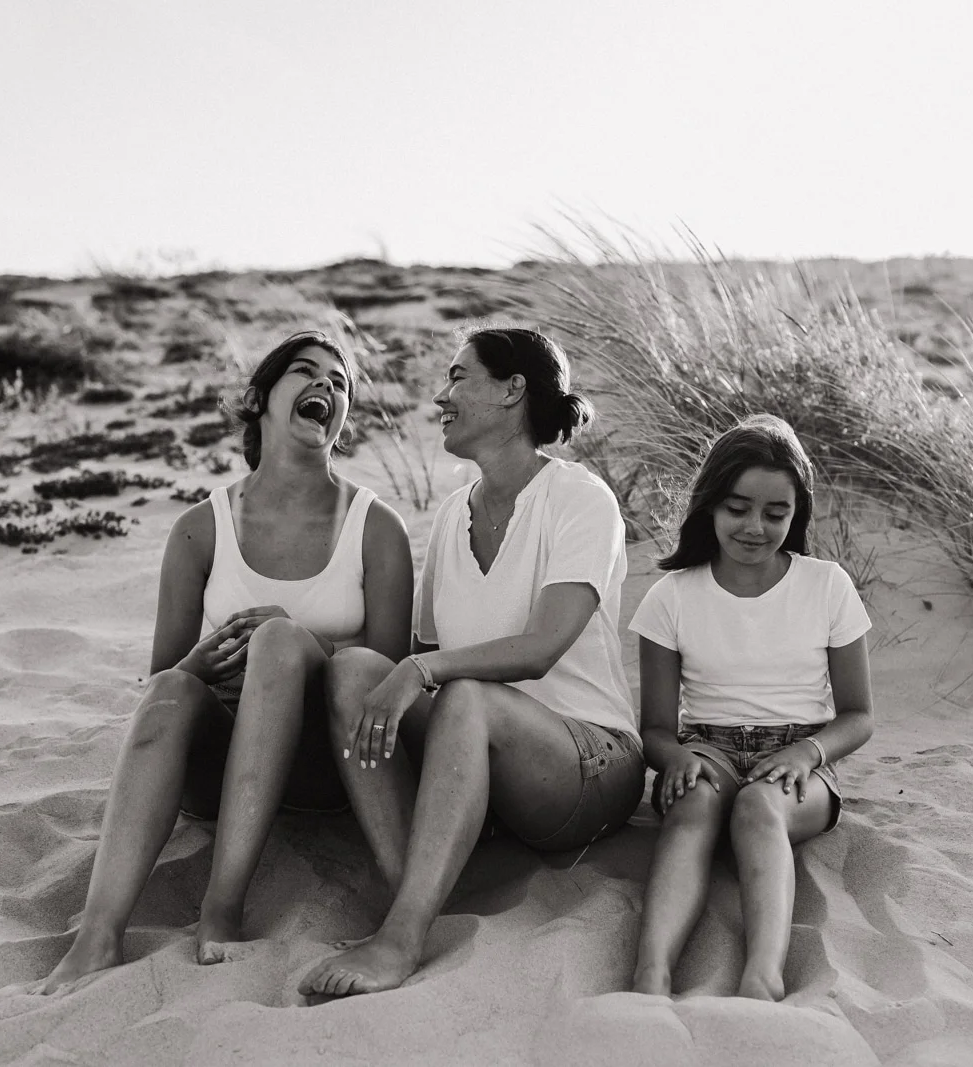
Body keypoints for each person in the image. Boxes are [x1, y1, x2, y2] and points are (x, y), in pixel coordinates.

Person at [33, 331, 413, 994]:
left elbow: (389, 677)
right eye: (305, 371)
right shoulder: (200, 528)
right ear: (261, 399)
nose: (326, 385)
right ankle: (97, 935)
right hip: (220, 770)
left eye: (341, 380)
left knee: (277, 640)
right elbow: (160, 680)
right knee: (171, 692)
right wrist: (200, 664)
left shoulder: (376, 528)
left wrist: (297, 639)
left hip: (330, 771)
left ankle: (222, 907)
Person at [300, 327, 644, 997]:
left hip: (590, 761)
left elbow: (541, 647)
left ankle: (402, 934)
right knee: (354, 672)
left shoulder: (580, 499)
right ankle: (415, 883)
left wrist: (425, 671)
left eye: (459, 377)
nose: (441, 395)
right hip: (490, 762)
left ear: (513, 388)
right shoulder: (454, 510)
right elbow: (421, 653)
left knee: (463, 693)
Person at [628, 414, 873, 1001]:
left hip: (801, 758)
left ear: (797, 514)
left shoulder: (827, 585)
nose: (755, 527)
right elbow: (656, 728)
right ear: (710, 504)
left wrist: (806, 753)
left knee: (759, 810)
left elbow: (859, 715)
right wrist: (675, 758)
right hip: (706, 748)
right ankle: (651, 974)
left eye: (776, 513)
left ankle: (762, 975)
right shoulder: (672, 596)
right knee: (692, 811)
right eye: (737, 508)